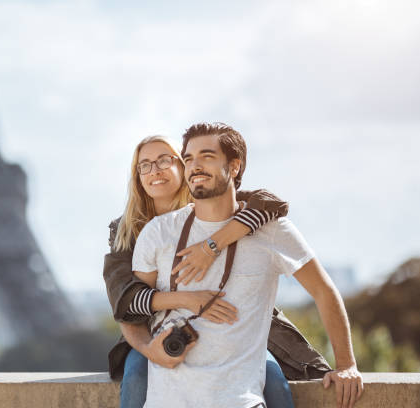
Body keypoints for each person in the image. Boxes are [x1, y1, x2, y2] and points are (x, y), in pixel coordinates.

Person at [132, 123, 363, 408]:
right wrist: (149, 348)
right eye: (189, 158)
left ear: (235, 166)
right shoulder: (159, 232)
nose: (195, 166)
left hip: (239, 401)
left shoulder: (273, 230)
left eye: (207, 156)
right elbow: (130, 306)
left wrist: (346, 364)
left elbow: (324, 291)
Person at [103, 135, 296, 408]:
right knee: (136, 377)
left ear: (184, 167)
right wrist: (185, 304)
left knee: (274, 380)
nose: (154, 170)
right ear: (137, 176)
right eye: (144, 165)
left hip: (232, 327)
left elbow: (271, 204)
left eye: (164, 160)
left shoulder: (212, 205)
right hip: (154, 332)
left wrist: (213, 244)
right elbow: (125, 300)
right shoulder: (126, 231)